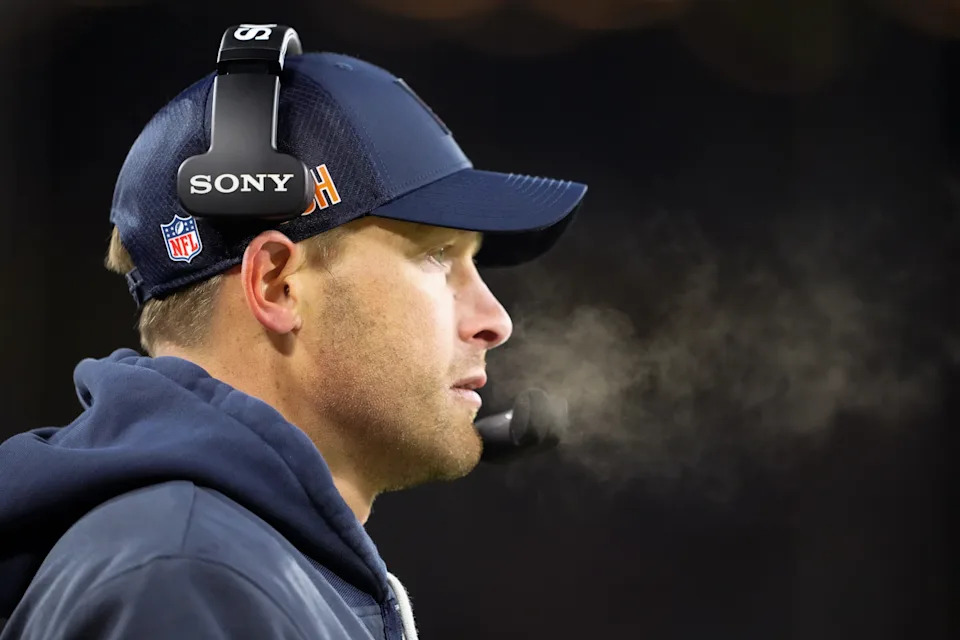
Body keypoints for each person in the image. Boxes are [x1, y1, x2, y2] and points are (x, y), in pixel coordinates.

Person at [0, 46, 586, 640]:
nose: (495, 320)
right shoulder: (188, 576)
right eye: (436, 256)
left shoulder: (224, 562)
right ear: (277, 285)